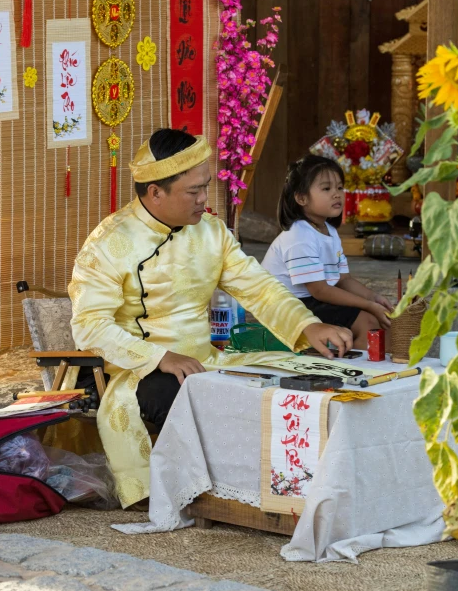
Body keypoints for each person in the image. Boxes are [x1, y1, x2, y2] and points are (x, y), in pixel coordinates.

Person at [69, 129, 353, 508]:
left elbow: (258, 287)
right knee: (192, 393)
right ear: (155, 192)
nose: (205, 199)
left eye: (206, 187)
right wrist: (161, 358)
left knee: (299, 379)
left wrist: (306, 325)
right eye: (193, 191)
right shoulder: (110, 242)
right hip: (138, 370)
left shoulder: (212, 232)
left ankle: (297, 488)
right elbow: (89, 326)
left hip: (207, 359)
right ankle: (223, 496)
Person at [262, 154, 393, 349]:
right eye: (326, 188)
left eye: (340, 188)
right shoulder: (299, 236)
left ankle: (373, 369)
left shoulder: (329, 231)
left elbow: (343, 279)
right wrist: (367, 306)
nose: (337, 194)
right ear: (301, 197)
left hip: (311, 300)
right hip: (287, 307)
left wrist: (373, 298)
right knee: (369, 322)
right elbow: (320, 290)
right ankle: (354, 371)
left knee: (380, 320)